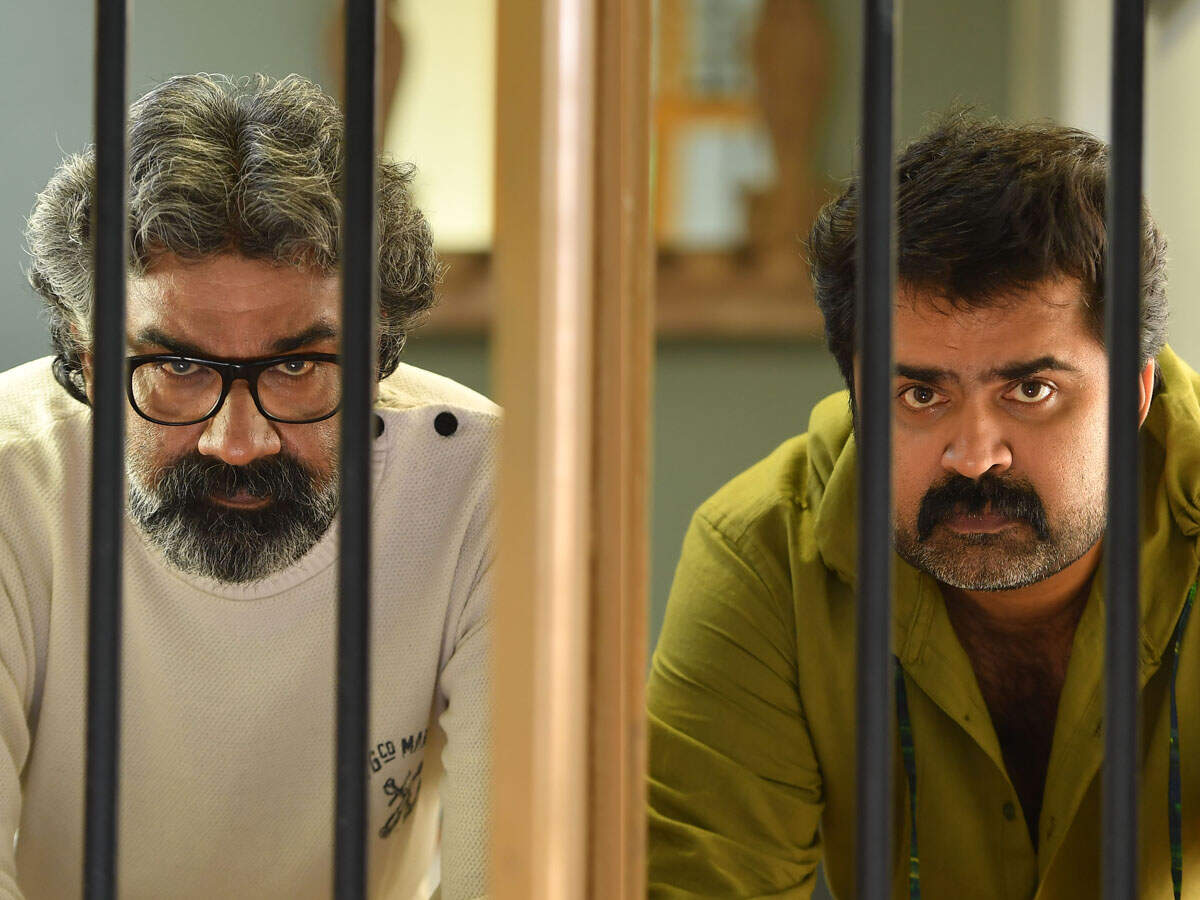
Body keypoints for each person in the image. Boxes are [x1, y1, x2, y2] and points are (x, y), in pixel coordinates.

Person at [647, 115, 1200, 898]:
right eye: (920, 394)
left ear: (1136, 394)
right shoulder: (765, 554)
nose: (974, 456)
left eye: (1031, 390)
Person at [0, 74, 495, 899]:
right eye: (178, 366)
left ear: (380, 359)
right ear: (89, 360)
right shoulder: (13, 479)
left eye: (298, 366)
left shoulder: (481, 485)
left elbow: (516, 872)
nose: (237, 442)